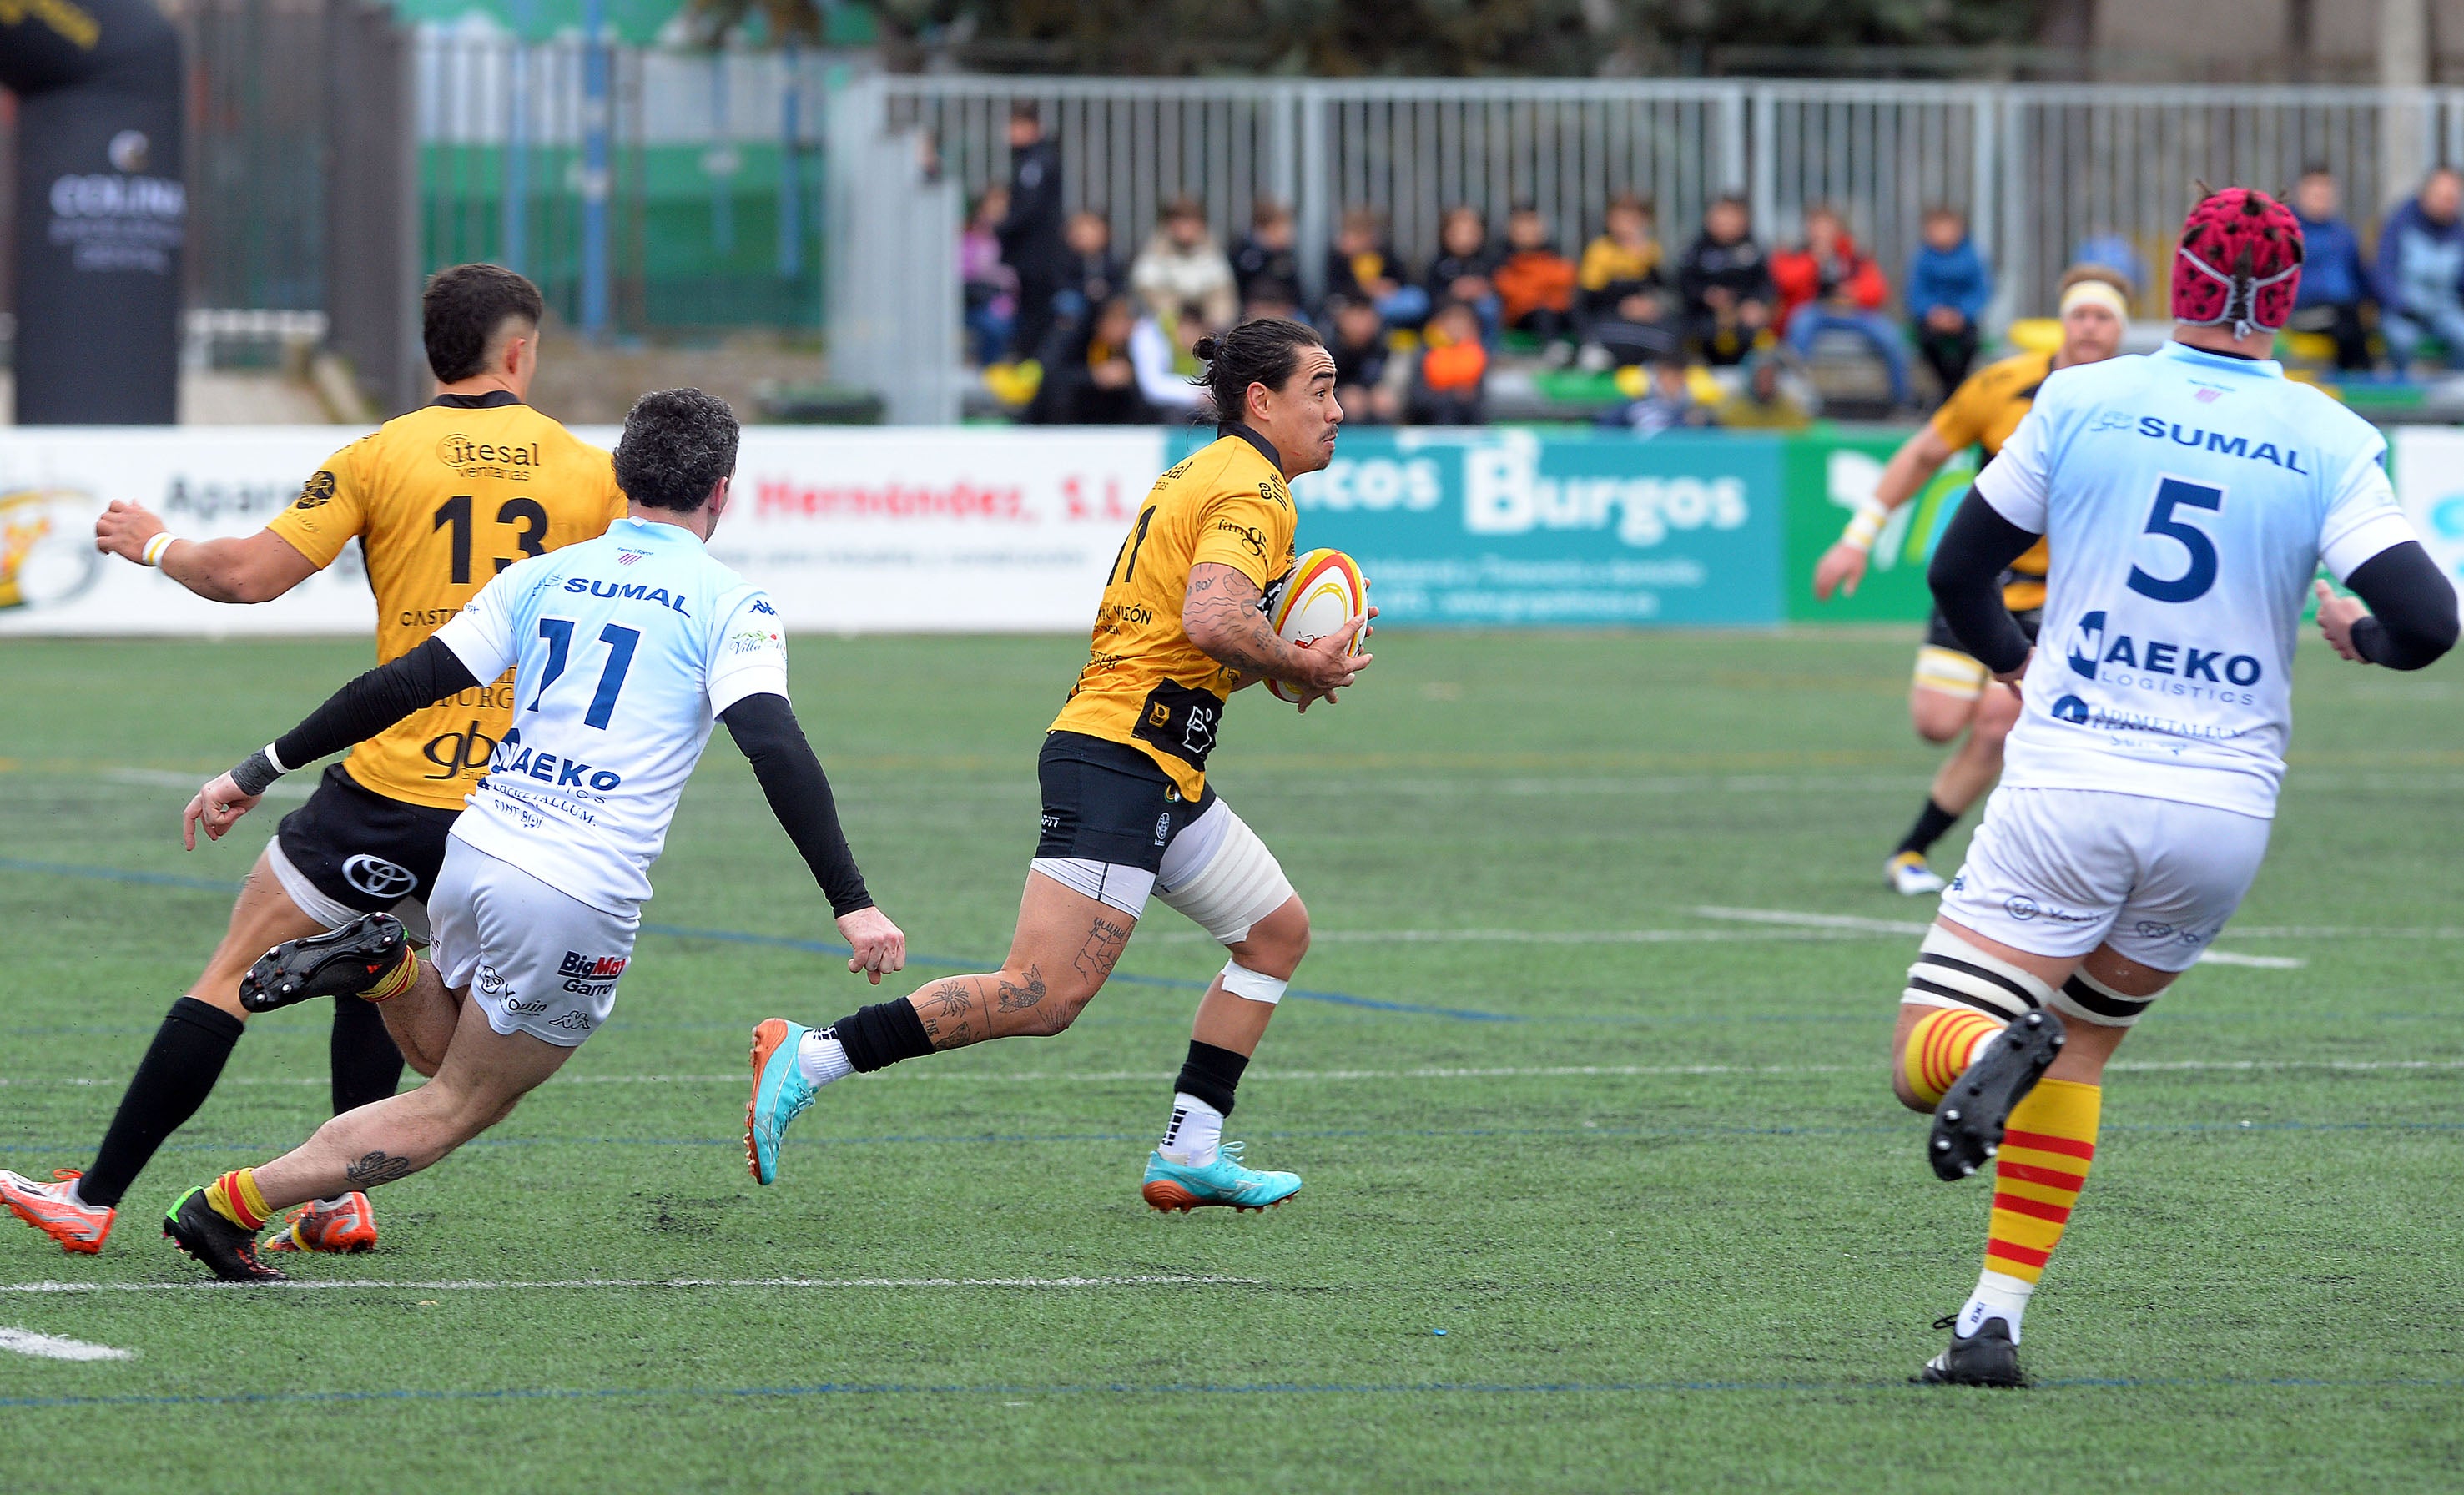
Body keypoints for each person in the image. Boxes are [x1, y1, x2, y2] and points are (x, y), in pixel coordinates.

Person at [158, 389, 908, 1283]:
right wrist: (852, 902)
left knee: (445, 1055)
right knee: (456, 1105)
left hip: (476, 849)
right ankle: (221, 1208)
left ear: (623, 477)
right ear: (721, 490)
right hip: (572, 889)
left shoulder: (545, 573)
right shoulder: (730, 602)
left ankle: (390, 968)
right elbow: (774, 745)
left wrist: (259, 766)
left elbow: (403, 683)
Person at [1897, 187, 2455, 1387]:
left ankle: (1987, 1046)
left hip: (2076, 776)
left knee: (1921, 1052)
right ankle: (1993, 1324)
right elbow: (2430, 620)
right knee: (2084, 1055)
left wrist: (2015, 662)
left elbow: (1958, 568)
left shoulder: (2084, 395)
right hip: (2222, 814)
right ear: (2287, 301)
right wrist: (2362, 640)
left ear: (2181, 279)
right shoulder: (2327, 436)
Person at [0, 264, 626, 1262]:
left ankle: (96, 1194)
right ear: (519, 352)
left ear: (433, 353)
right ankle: (338, 1202)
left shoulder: (380, 453)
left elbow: (247, 576)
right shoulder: (593, 473)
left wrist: (153, 543)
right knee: (386, 969)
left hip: (389, 788)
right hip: (513, 806)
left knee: (231, 975)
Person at [744, 319, 1373, 1215]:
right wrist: (1298, 662)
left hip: (1160, 759)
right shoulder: (1254, 489)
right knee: (1040, 994)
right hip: (1124, 755)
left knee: (1274, 933)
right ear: (1261, 400)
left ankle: (1191, 1150)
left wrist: (1274, 665)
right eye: (1321, 389)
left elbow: (1197, 632)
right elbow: (1212, 616)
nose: (1338, 409)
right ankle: (811, 1056)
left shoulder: (1202, 473)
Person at [1813, 265, 2131, 896]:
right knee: (1936, 723)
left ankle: (1911, 853)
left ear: (2120, 330)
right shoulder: (2001, 384)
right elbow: (1924, 453)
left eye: (2103, 318)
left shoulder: (2135, 400)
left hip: (2061, 596)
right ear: (2062, 322)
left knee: (1997, 723)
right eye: (2080, 315)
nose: (2090, 328)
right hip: (1981, 582)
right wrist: (1857, 537)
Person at [1773, 204, 1912, 407]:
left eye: (1827, 226)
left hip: (1853, 313)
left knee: (1891, 337)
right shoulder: (1795, 253)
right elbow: (1785, 283)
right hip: (1815, 313)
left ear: (1838, 228)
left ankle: (1903, 403)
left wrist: (1853, 294)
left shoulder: (1854, 255)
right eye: (1816, 226)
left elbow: (1878, 290)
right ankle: (1794, 400)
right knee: (1800, 325)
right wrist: (1813, 261)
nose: (1821, 232)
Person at [2372, 165, 2464, 370]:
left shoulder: (2460, 233)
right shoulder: (2399, 224)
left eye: (2452, 198)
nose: (2446, 203)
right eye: (2441, 196)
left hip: (2445, 310)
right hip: (2403, 309)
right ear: (2425, 194)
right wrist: (2400, 304)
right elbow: (2382, 272)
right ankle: (2400, 395)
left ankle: (2456, 396)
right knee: (2401, 341)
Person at [996, 104, 1067, 365]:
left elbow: (1028, 208)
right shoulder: (1033, 159)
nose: (1010, 133)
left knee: (1035, 313)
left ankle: (1033, 366)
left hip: (1037, 256)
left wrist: (1001, 227)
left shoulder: (1036, 161)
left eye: (1016, 127)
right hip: (1035, 255)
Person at [1576, 195, 1679, 365]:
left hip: (1644, 318)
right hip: (1609, 314)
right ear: (1610, 221)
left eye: (1633, 220)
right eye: (1622, 218)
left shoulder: (1650, 250)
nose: (1628, 225)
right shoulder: (1600, 250)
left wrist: (1650, 304)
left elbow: (1664, 289)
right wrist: (1622, 305)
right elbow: (1588, 297)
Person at [2288, 165, 2371, 371]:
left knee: (2356, 321)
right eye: (2316, 194)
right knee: (2345, 321)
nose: (2321, 199)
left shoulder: (2343, 234)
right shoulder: (2288, 232)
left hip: (2344, 311)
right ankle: (2358, 380)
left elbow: (2361, 276)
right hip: (2303, 313)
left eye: (2326, 194)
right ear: (2301, 193)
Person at [1022, 296, 1155, 425]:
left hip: (1107, 416)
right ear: (1103, 320)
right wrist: (1094, 376)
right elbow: (1050, 375)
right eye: (1119, 321)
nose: (1125, 329)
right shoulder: (1075, 334)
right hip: (1063, 416)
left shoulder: (1130, 344)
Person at [1677, 194, 1774, 365]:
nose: (1726, 222)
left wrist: (1755, 303)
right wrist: (1706, 295)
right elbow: (1683, 284)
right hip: (1703, 315)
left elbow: (1766, 285)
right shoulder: (1696, 249)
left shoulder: (1754, 250)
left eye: (1732, 216)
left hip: (1743, 314)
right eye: (1721, 215)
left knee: (1758, 334)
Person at [1907, 206, 1993, 393]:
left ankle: (1954, 387)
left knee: (1970, 344)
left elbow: (1981, 291)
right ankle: (1950, 389)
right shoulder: (1923, 259)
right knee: (1926, 342)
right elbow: (1916, 292)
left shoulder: (1972, 257)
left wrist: (1961, 314)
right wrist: (1932, 313)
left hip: (1962, 320)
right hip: (1932, 320)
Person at [1130, 197, 1237, 330]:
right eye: (1180, 222)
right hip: (1165, 325)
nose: (1186, 228)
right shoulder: (1156, 251)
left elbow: (1222, 294)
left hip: (1205, 325)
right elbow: (1147, 290)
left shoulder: (1211, 250)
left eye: (1190, 222)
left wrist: (1213, 322)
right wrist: (1177, 320)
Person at [1324, 206, 1427, 330]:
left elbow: (1402, 279)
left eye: (1365, 233)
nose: (1361, 240)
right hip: (1352, 302)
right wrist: (1361, 288)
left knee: (1415, 300)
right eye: (1356, 234)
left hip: (1383, 301)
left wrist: (1387, 286)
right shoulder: (1338, 257)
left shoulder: (1384, 252)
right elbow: (1335, 288)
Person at [1494, 202, 1578, 345]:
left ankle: (1590, 347)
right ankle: (1553, 348)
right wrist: (1545, 288)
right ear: (1511, 230)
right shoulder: (1502, 260)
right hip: (1521, 316)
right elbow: (1513, 291)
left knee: (1574, 312)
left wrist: (1536, 284)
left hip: (1554, 308)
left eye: (1533, 223)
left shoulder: (1552, 253)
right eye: (1523, 225)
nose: (1530, 230)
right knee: (1543, 313)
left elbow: (1567, 278)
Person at [1422, 205, 1501, 342]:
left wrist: (1481, 289)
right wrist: (1453, 292)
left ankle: (1488, 350)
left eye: (1470, 233)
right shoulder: (1438, 263)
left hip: (1477, 314)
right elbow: (1430, 294)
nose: (1464, 238)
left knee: (1489, 305)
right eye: (1458, 233)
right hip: (1447, 312)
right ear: (1445, 234)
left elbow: (1498, 287)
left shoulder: (1488, 260)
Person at [1130, 299, 1217, 420]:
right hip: (1150, 411)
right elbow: (1152, 387)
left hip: (1196, 409)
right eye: (1187, 329)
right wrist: (1197, 393)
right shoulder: (1149, 333)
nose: (1190, 336)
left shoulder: (1206, 340)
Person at [1405, 300, 1489, 425]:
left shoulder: (1478, 355)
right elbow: (1417, 399)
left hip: (1468, 423)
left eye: (1463, 321)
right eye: (1453, 320)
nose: (1457, 326)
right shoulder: (1425, 352)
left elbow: (1481, 400)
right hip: (1430, 423)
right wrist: (1453, 396)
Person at [961, 188, 1019, 368]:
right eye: (992, 210)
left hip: (1010, 305)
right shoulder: (968, 238)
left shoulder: (1020, 241)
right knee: (994, 325)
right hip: (975, 303)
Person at [1326, 294, 1402, 425]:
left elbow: (1394, 378)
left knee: (1384, 401)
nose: (1363, 324)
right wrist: (1338, 394)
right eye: (1357, 317)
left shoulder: (1384, 344)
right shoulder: (1327, 347)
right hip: (1338, 397)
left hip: (1372, 393)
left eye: (1368, 317)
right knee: (1352, 403)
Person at [1597, 355, 1711, 436]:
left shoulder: (1695, 412)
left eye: (1678, 378)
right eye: (1669, 377)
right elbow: (1606, 429)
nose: (1672, 383)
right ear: (1658, 377)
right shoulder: (1634, 405)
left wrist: (1690, 422)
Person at [1053, 209, 1125, 332]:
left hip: (1106, 305)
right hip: (1078, 304)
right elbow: (1060, 283)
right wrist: (1087, 289)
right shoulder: (1066, 259)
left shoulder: (1113, 259)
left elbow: (1121, 285)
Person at [1708, 350, 1809, 430]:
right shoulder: (1731, 409)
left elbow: (1799, 432)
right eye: (1761, 377)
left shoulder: (1789, 408)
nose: (1766, 382)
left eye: (1770, 377)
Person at [1231, 199, 1303, 310]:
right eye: (1281, 228)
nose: (1288, 234)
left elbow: (1297, 294)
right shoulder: (1244, 252)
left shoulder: (1286, 255)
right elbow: (1239, 289)